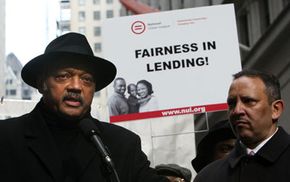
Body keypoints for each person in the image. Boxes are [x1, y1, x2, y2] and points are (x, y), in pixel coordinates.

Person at [0, 32, 169, 182]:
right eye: (64, 76)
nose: (76, 86)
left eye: (86, 79)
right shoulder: (6, 138)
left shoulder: (122, 144)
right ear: (41, 83)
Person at [194, 69, 289, 182]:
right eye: (232, 104)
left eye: (248, 101)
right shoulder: (207, 177)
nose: (237, 110)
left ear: (276, 109)